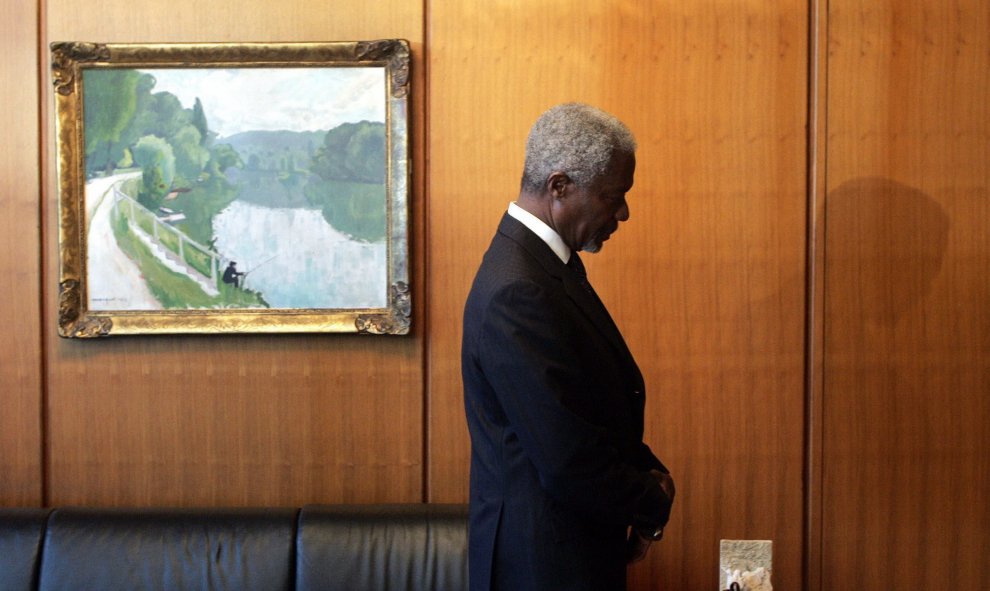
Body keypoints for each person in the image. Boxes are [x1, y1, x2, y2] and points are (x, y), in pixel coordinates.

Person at [461, 103, 675, 591]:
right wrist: (651, 499)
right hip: (541, 566)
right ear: (559, 187)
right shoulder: (519, 288)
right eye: (612, 196)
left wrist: (648, 471)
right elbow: (566, 458)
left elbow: (585, 408)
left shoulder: (540, 265)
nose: (622, 212)